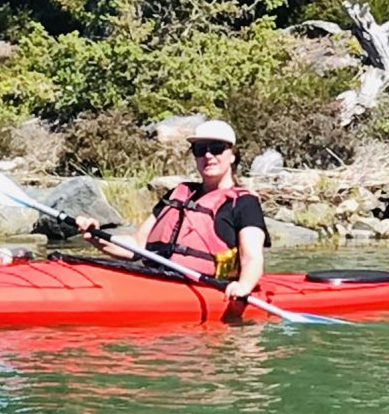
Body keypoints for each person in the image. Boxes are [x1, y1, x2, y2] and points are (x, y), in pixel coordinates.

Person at [85, 117, 268, 303]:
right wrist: (95, 236)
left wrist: (243, 286)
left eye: (217, 148)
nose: (208, 155)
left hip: (206, 289)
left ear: (233, 155)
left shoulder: (244, 203)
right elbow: (136, 245)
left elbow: (252, 258)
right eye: (200, 149)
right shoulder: (178, 194)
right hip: (154, 279)